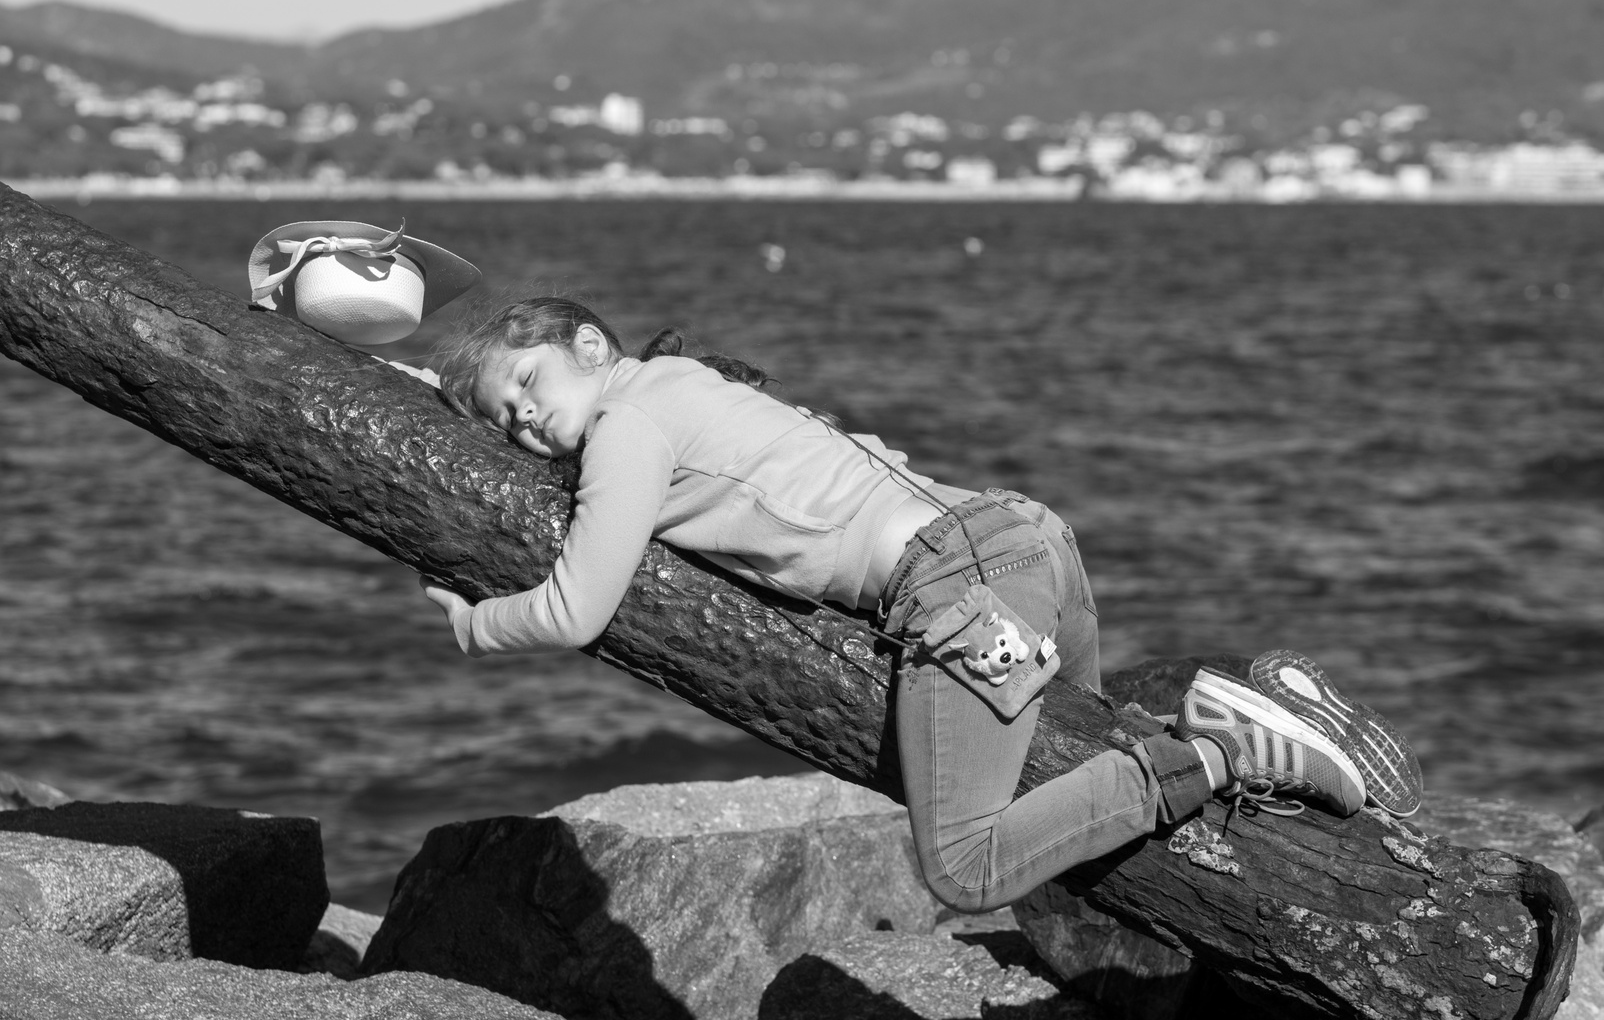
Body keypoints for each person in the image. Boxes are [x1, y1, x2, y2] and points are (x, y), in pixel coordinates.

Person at [419, 296, 1422, 913]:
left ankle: (1229, 750)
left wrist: (472, 621)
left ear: (590, 347)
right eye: (505, 420)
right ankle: (1260, 738)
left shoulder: (627, 423)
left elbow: (575, 608)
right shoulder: (688, 380)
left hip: (959, 591)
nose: (523, 421)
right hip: (1020, 537)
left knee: (968, 865)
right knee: (1074, 754)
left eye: (526, 384)